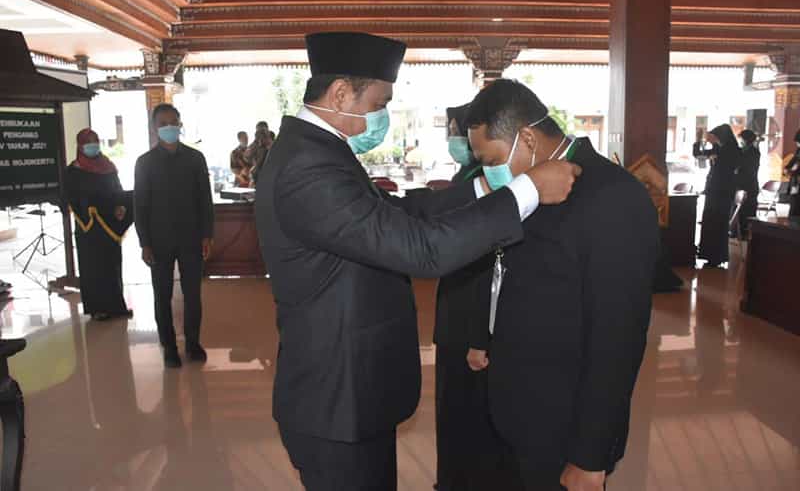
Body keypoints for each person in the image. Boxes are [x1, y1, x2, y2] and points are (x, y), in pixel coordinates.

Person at [255, 32, 581, 491]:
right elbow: (421, 249)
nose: (382, 115)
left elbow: (397, 215)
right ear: (341, 94)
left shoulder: (320, 152)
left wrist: (483, 188)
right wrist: (525, 191)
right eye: (379, 102)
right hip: (336, 400)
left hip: (354, 392)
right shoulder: (307, 167)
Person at [465, 79, 660, 491]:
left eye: (492, 161)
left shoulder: (611, 198)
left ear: (527, 139)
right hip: (519, 407)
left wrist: (589, 455)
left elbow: (617, 337)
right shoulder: (530, 187)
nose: (489, 173)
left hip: (564, 425)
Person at [435, 103, 519, 491]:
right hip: (455, 317)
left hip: (470, 325)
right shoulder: (468, 177)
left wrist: (477, 337)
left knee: (469, 416)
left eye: (458, 132)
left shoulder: (490, 181)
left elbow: (487, 263)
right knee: (453, 413)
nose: (454, 139)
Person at [134, 104, 215, 368]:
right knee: (162, 295)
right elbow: (140, 205)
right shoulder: (144, 163)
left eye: (174, 122)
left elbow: (205, 200)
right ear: (154, 128)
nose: (169, 127)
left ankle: (193, 343)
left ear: (180, 125)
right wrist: (144, 243)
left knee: (193, 295)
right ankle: (169, 346)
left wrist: (207, 234)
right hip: (159, 241)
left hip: (191, 238)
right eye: (163, 123)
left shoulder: (195, 158)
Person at [65, 128, 134, 321]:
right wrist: (89, 208)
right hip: (89, 227)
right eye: (88, 141)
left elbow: (117, 190)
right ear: (80, 146)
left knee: (112, 266)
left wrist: (121, 205)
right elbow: (71, 197)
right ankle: (97, 308)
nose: (92, 145)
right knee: (93, 268)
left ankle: (116, 306)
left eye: (95, 140)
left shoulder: (108, 167)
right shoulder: (73, 171)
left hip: (109, 226)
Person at [697, 124, 741, 268]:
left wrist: (716, 157)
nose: (713, 139)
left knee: (717, 223)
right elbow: (699, 154)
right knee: (710, 221)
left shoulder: (732, 150)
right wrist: (699, 140)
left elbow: (726, 169)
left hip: (723, 192)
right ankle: (708, 254)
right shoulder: (719, 148)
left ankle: (716, 256)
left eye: (715, 137)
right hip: (714, 191)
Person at [736, 129, 760, 233]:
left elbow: (747, 169)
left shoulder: (753, 152)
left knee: (748, 210)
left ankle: (747, 232)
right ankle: (740, 231)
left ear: (745, 139)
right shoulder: (744, 150)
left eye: (741, 139)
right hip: (743, 184)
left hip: (749, 185)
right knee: (741, 210)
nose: (740, 141)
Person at [247, 121, 275, 186]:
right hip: (257, 175)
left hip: (270, 174)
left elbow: (275, 150)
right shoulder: (255, 143)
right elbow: (247, 156)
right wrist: (257, 141)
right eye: (259, 131)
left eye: (263, 130)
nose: (261, 133)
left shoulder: (272, 139)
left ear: (267, 130)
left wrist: (268, 139)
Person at [785, 129, 800, 217]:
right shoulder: (798, 150)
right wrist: (787, 168)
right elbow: (793, 160)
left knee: (796, 204)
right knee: (794, 203)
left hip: (797, 181)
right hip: (795, 181)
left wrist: (792, 169)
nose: (797, 144)